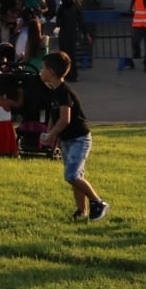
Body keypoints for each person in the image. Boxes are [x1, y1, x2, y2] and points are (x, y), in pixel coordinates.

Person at [38, 51, 109, 221]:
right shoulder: (53, 91)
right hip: (66, 140)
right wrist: (49, 135)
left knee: (72, 175)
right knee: (76, 177)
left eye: (43, 68)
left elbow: (64, 119)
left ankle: (98, 202)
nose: (41, 71)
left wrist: (51, 135)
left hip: (79, 139)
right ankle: (81, 211)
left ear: (52, 71)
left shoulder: (64, 92)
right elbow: (53, 117)